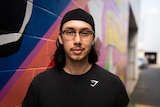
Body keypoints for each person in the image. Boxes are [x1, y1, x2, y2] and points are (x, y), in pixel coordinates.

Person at [22, 8, 129, 107]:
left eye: (85, 33)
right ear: (60, 38)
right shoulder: (40, 84)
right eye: (69, 32)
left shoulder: (113, 84)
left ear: (93, 39)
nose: (77, 40)